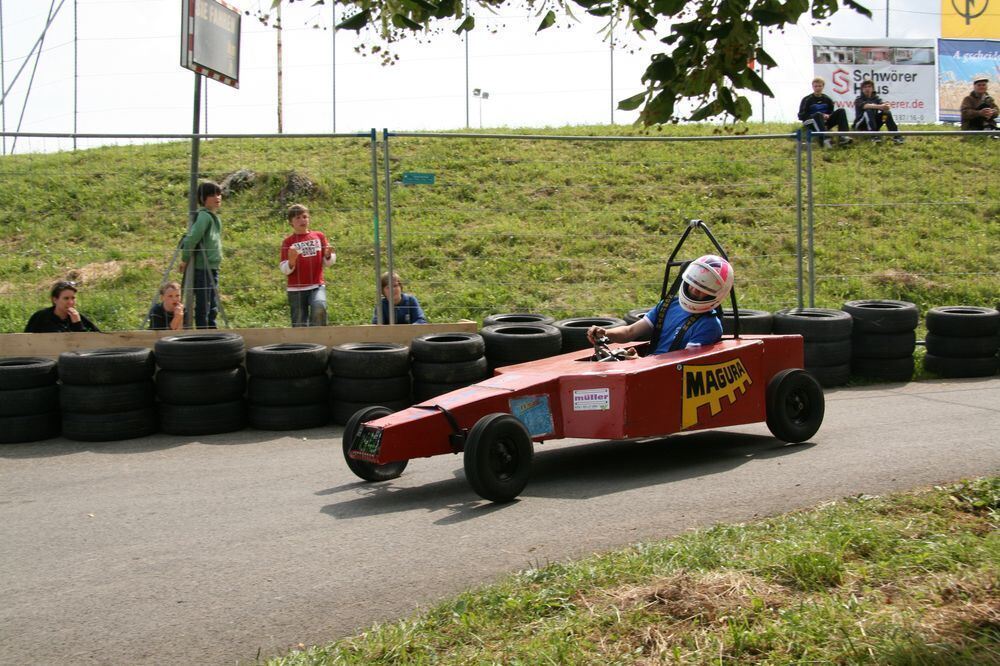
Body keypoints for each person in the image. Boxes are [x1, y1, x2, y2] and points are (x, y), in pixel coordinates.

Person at [586, 255, 734, 354]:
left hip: (668, 379)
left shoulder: (709, 325)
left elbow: (687, 363)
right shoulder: (669, 305)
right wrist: (605, 333)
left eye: (702, 289)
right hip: (648, 367)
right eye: (693, 283)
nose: (694, 290)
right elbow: (629, 332)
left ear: (716, 294)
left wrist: (639, 363)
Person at [279, 204, 336, 327]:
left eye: (305, 217)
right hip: (296, 289)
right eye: (297, 218)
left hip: (317, 285)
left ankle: (319, 341)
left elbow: (329, 262)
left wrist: (327, 255)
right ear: (291, 223)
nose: (302, 220)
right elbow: (284, 269)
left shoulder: (319, 236)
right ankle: (302, 345)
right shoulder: (288, 242)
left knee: (319, 306)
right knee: (299, 322)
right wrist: (291, 262)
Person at [179, 181, 223, 328]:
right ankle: (203, 333)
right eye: (212, 195)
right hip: (203, 269)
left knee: (212, 304)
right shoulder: (204, 216)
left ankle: (211, 331)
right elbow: (192, 238)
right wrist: (185, 259)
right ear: (203, 198)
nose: (217, 197)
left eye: (219, 194)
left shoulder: (213, 217)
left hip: (212, 267)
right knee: (204, 304)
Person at [24, 280, 101, 333]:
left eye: (73, 298)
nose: (70, 302)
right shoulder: (41, 317)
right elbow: (25, 340)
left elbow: (92, 341)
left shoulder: (79, 318)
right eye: (66, 298)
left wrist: (77, 324)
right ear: (55, 300)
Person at [797, 77, 852, 147]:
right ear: (812, 87)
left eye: (820, 86)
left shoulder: (828, 99)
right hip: (810, 123)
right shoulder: (807, 99)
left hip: (825, 122)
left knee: (841, 111)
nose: (818, 88)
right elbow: (801, 115)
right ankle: (824, 139)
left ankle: (843, 137)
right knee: (818, 114)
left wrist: (827, 116)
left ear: (823, 86)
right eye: (815, 86)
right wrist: (819, 115)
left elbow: (830, 113)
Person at [853, 80, 904, 144]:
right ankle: (874, 136)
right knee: (868, 111)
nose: (867, 89)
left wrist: (886, 106)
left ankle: (896, 136)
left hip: (875, 124)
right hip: (861, 125)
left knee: (886, 114)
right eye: (865, 87)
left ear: (872, 88)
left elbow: (884, 106)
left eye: (869, 87)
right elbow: (865, 106)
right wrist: (880, 106)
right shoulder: (859, 99)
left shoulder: (876, 98)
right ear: (862, 89)